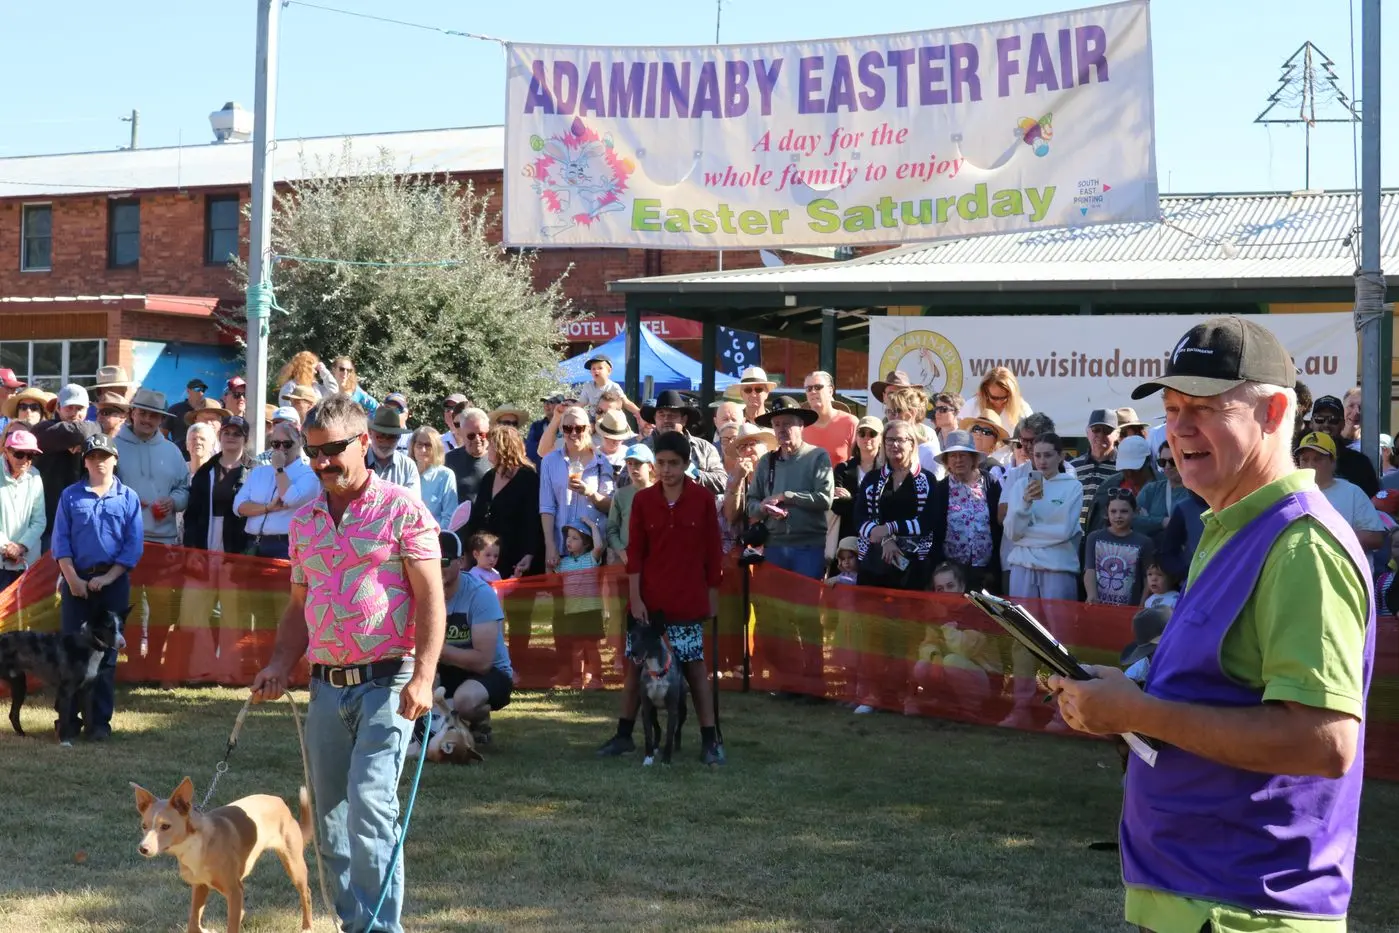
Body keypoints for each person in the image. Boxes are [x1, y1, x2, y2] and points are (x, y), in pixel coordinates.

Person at [1051, 316, 1373, 933]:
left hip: (1239, 909)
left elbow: (1324, 742)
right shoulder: (1231, 527)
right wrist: (1122, 701)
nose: (1180, 427)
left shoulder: (1300, 546)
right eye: (1172, 408)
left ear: (1275, 411)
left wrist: (1137, 714)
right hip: (1195, 896)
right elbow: (1216, 691)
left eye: (1205, 406)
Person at [250, 393, 444, 933]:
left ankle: (381, 930)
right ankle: (353, 924)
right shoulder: (305, 520)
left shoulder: (402, 508)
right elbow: (298, 606)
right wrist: (278, 664)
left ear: (363, 443)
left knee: (370, 809)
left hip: (389, 682)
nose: (321, 462)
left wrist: (425, 675)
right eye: (314, 452)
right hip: (325, 687)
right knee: (330, 820)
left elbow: (431, 598)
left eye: (333, 450)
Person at [596, 430, 726, 765]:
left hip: (688, 600)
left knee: (696, 669)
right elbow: (635, 553)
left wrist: (713, 595)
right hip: (648, 600)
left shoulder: (703, 500)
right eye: (662, 463)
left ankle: (710, 740)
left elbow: (713, 551)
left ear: (686, 464)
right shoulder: (642, 500)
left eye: (674, 463)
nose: (666, 469)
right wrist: (636, 598)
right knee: (635, 669)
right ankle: (624, 735)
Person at [53, 434, 143, 741]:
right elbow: (60, 542)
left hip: (113, 583)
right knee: (71, 653)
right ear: (85, 461)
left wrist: (107, 578)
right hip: (76, 581)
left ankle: (99, 724)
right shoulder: (70, 496)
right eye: (93, 456)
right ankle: (67, 722)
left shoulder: (129, 498)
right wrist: (73, 579)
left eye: (105, 456)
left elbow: (133, 546)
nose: (99, 461)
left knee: (106, 657)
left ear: (115, 459)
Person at [422, 530, 512, 750]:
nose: (436, 567)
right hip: (448, 669)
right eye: (429, 560)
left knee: (463, 702)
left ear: (461, 561)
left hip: (489, 673)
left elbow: (483, 662)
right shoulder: (420, 593)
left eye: (443, 560)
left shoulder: (480, 594)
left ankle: (480, 719)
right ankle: (450, 723)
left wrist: (434, 648)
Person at [748, 397, 835, 580]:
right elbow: (751, 502)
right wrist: (763, 507)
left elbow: (825, 499)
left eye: (787, 423)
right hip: (774, 545)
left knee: (805, 605)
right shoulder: (766, 461)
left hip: (808, 546)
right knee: (776, 606)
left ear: (801, 425)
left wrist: (786, 496)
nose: (781, 429)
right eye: (777, 424)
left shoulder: (817, 456)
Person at [854, 420, 935, 590]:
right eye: (889, 440)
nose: (894, 445)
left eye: (900, 440)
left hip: (914, 563)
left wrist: (890, 527)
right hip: (875, 561)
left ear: (912, 444)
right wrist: (886, 538)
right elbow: (859, 518)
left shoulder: (926, 480)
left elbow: (928, 521)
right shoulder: (872, 479)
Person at [1003, 432, 1083, 601]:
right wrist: (1025, 503)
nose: (1042, 461)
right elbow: (1011, 533)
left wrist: (1024, 538)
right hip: (1022, 567)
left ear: (1060, 456)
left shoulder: (1073, 487)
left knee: (1059, 627)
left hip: (1058, 569)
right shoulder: (1020, 486)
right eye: (1037, 455)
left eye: (1048, 455)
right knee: (1021, 626)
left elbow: (1063, 531)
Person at [539, 405, 614, 574]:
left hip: (593, 552)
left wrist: (590, 494)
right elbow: (547, 507)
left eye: (579, 428)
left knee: (591, 601)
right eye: (567, 428)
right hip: (561, 548)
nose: (573, 433)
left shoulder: (602, 462)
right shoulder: (550, 461)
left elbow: (611, 507)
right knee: (561, 599)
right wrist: (550, 545)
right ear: (561, 429)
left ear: (588, 428)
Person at [234, 420, 320, 559]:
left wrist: (279, 469)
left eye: (287, 444)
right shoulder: (259, 472)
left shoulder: (308, 474)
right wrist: (268, 508)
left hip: (284, 545)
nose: (280, 449)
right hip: (252, 542)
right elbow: (238, 507)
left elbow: (291, 499)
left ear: (298, 443)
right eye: (276, 444)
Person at [467, 424, 543, 581]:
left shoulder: (527, 478)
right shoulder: (489, 477)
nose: (487, 449)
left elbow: (532, 521)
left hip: (516, 556)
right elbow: (477, 515)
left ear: (503, 448)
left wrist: (529, 553)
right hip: (487, 557)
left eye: (492, 446)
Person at [931, 429, 1002, 592]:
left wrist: (994, 567)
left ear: (973, 459)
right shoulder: (941, 489)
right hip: (952, 572)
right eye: (953, 456)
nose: (958, 460)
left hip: (985, 569)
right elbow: (936, 530)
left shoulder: (990, 483)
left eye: (963, 455)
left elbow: (999, 528)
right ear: (947, 461)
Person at [115, 390, 190, 546]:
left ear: (162, 419)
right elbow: (101, 488)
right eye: (142, 413)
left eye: (154, 416)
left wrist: (173, 501)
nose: (147, 420)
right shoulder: (113, 447)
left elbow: (184, 489)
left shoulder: (173, 451)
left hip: (164, 540)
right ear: (132, 413)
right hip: (122, 537)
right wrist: (126, 501)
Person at [1294, 430, 1385, 553]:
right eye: (1304, 459)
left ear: (1333, 462)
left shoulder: (1352, 492)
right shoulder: (1291, 496)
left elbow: (1375, 538)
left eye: (1318, 459)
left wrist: (1328, 538)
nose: (1310, 464)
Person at [33, 384, 99, 551]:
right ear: (58, 407)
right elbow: (80, 432)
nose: (75, 413)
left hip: (78, 522)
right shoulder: (43, 429)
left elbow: (82, 432)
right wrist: (92, 430)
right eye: (69, 407)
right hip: (46, 521)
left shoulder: (92, 432)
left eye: (80, 408)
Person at [184, 416, 253, 556]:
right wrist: (191, 548)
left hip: (239, 545)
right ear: (219, 436)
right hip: (205, 543)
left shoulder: (255, 472)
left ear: (245, 439)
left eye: (237, 434)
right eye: (226, 433)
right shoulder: (204, 472)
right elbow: (192, 515)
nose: (231, 437)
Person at [640, 391, 726, 493]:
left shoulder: (704, 448)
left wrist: (696, 475)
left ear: (684, 420)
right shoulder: (643, 448)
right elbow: (622, 480)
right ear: (655, 419)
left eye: (672, 415)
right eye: (661, 415)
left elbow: (723, 481)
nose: (666, 419)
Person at [1083, 488, 1154, 606]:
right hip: (1098, 607)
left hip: (1130, 609)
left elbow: (1148, 578)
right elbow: (1090, 570)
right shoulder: (1094, 537)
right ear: (1107, 513)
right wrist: (1092, 596)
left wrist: (1142, 604)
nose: (1118, 516)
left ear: (1135, 512)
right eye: (1113, 511)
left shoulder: (1144, 542)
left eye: (1124, 511)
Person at [557, 518, 606, 688]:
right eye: (568, 537)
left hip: (591, 610)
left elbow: (599, 547)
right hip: (572, 612)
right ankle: (578, 678)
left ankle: (597, 679)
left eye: (575, 538)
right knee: (576, 647)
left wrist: (593, 525)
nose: (569, 541)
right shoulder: (563, 563)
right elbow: (550, 572)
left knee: (591, 646)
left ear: (586, 544)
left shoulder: (591, 559)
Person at [1082, 435, 1156, 535]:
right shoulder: (1108, 486)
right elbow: (1097, 526)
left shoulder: (1166, 486)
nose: (1129, 474)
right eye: (1125, 469)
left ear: (1147, 462)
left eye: (1135, 469)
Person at [0, 430, 45, 591]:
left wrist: (21, 546)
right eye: (19, 454)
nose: (25, 460)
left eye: (31, 455)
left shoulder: (35, 476)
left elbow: (39, 520)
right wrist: (6, 547)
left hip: (27, 561)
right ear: (6, 452)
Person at [1308, 394, 1379, 496]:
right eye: (1319, 419)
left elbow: (1371, 502)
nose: (1326, 425)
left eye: (1333, 420)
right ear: (1311, 423)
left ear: (1342, 424)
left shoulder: (1359, 463)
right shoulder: (1298, 458)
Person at [832, 415, 881, 546]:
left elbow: (883, 504)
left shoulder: (887, 470)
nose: (866, 438)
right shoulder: (843, 468)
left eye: (872, 434)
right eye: (862, 433)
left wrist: (850, 499)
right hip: (848, 536)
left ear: (881, 438)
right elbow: (836, 506)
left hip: (878, 537)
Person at [1070, 408, 1120, 529]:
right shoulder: (1073, 467)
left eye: (1107, 430)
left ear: (1117, 434)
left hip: (1108, 537)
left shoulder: (1123, 467)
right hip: (1075, 535)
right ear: (1087, 432)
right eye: (1096, 430)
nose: (1101, 435)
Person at [606, 444, 654, 566]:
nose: (633, 468)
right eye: (629, 463)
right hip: (626, 562)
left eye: (638, 463)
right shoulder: (620, 495)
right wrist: (622, 552)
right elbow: (611, 529)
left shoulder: (662, 493)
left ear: (649, 466)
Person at [802, 370, 858, 466]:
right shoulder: (799, 426)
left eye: (818, 387)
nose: (813, 391)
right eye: (809, 388)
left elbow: (860, 463)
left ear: (830, 391)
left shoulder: (850, 423)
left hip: (841, 480)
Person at [365, 405, 422, 497]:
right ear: (370, 433)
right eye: (381, 436)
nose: (386, 442)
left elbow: (413, 505)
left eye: (393, 436)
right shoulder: (358, 461)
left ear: (399, 437)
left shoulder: (407, 466)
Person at [409, 426, 458, 528]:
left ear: (436, 448)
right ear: (413, 447)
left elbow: (449, 517)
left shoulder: (445, 475)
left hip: (434, 537)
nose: (423, 449)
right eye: (419, 444)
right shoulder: (405, 472)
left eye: (428, 445)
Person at [959, 367, 1033, 428]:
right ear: (985, 392)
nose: (999, 402)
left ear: (1012, 395)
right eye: (994, 398)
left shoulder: (1022, 409)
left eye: (1004, 397)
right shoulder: (971, 406)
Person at [444, 407, 490, 506]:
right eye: (471, 436)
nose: (477, 439)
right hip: (460, 520)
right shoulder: (449, 461)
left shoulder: (498, 460)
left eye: (481, 434)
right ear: (462, 434)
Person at [166, 378, 208, 456]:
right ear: (188, 391)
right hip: (180, 456)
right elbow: (163, 434)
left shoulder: (207, 410)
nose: (201, 392)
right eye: (198, 389)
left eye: (203, 390)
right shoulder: (175, 409)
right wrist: (174, 448)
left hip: (202, 455)